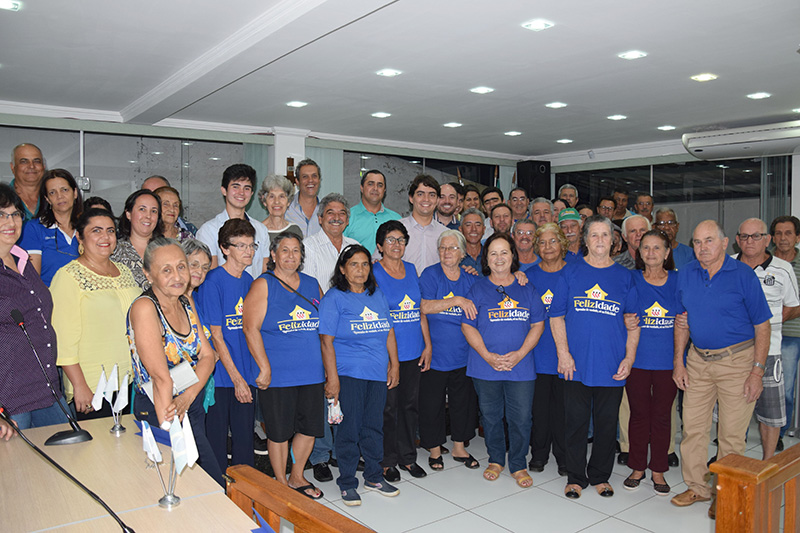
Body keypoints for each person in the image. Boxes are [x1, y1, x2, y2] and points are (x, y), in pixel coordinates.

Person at [670, 220, 771, 518]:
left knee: (731, 434)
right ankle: (697, 487)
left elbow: (762, 326)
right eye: (697, 242)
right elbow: (681, 321)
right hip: (698, 361)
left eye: (709, 240)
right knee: (693, 428)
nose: (702, 247)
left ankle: (725, 493)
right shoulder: (686, 273)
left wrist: (757, 372)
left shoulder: (743, 275)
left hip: (737, 362)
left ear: (726, 243)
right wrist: (678, 362)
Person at [549, 214, 640, 499]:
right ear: (585, 240)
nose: (600, 240)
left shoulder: (625, 277)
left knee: (606, 425)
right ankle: (575, 477)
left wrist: (629, 358)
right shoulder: (570, 272)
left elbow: (634, 323)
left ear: (614, 241)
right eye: (594, 234)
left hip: (612, 364)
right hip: (575, 363)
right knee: (575, 423)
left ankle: (601, 476)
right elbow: (556, 316)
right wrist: (563, 354)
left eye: (605, 235)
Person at [128, 238, 222, 485]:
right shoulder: (145, 308)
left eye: (181, 267)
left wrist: (188, 398)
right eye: (166, 270)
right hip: (162, 406)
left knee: (204, 484)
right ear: (148, 274)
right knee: (178, 482)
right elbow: (160, 378)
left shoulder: (185, 301)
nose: (178, 276)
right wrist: (172, 423)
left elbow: (208, 356)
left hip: (190, 399)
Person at [242, 231, 326, 500]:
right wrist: (264, 367)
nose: (291, 255)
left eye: (296, 250)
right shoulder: (263, 285)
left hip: (312, 372)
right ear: (274, 255)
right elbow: (250, 328)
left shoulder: (312, 284)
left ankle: (297, 475)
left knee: (309, 428)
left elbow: (324, 328)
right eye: (285, 250)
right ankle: (280, 482)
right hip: (278, 374)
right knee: (278, 432)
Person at [318, 244, 400, 506]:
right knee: (349, 429)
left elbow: (388, 331)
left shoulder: (377, 295)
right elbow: (326, 341)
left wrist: (394, 364)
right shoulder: (334, 298)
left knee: (373, 426)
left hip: (377, 373)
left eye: (365, 264)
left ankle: (374, 476)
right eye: (354, 264)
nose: (360, 270)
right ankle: (347, 482)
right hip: (349, 373)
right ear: (342, 269)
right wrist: (332, 379)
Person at [461, 233, 545, 489]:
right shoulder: (477, 289)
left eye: (504, 252)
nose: (499, 258)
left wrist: (519, 354)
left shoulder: (527, 288)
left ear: (513, 256)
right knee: (490, 416)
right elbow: (468, 325)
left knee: (521, 418)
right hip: (485, 366)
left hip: (521, 367)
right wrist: (487, 356)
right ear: (486, 259)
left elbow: (538, 324)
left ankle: (518, 463)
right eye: (493, 253)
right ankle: (496, 459)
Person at [51, 208, 141, 419]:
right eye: (96, 231)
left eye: (110, 230)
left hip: (129, 379)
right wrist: (79, 385)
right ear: (80, 237)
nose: (105, 237)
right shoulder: (68, 276)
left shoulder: (124, 271)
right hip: (93, 384)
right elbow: (63, 340)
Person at [0, 183, 69, 429]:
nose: (10, 222)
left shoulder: (22, 260)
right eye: (1, 214)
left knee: (73, 450)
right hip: (8, 399)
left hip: (47, 389)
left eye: (15, 214)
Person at [304, 193, 359, 481]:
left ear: (347, 219)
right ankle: (320, 456)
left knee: (346, 390)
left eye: (341, 213)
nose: (336, 217)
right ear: (320, 217)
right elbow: (309, 290)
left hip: (351, 332)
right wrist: (338, 309)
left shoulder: (355, 247)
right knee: (325, 390)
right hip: (321, 329)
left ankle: (342, 450)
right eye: (330, 212)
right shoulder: (309, 247)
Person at [734, 218, 799, 460]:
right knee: (732, 411)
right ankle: (731, 458)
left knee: (770, 414)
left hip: (770, 352)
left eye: (756, 236)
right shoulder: (727, 265)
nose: (750, 241)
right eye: (745, 236)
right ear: (737, 240)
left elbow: (793, 305)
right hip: (733, 353)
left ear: (767, 239)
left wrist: (765, 325)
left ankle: (767, 462)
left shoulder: (783, 269)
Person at [196, 219, 258, 473]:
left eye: (251, 245)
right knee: (216, 441)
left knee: (245, 438)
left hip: (246, 372)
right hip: (221, 376)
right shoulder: (213, 281)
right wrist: (236, 379)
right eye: (240, 245)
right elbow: (216, 336)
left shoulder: (250, 280)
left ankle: (245, 488)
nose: (248, 251)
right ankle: (216, 489)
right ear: (224, 248)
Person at [373, 221, 432, 481]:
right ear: (379, 246)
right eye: (390, 240)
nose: (396, 245)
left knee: (409, 406)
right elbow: (378, 317)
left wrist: (427, 345)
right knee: (388, 409)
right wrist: (390, 359)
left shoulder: (411, 269)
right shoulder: (373, 273)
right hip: (387, 354)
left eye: (401, 240)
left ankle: (408, 457)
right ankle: (387, 461)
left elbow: (420, 310)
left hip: (413, 350)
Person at [622, 229, 678, 495]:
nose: (651, 252)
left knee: (662, 416)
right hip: (638, 361)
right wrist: (624, 319)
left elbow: (685, 319)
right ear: (639, 252)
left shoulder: (677, 280)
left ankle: (658, 469)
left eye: (657, 248)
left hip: (668, 361)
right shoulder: (630, 279)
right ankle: (637, 467)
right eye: (646, 247)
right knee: (639, 415)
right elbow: (617, 308)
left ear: (667, 253)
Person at [419, 230, 479, 471]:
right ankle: (434, 450)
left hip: (464, 353)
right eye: (443, 248)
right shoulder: (430, 274)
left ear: (463, 253)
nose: (447, 252)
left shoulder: (470, 278)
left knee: (462, 402)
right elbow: (424, 306)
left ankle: (459, 447)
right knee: (431, 403)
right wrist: (457, 300)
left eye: (453, 248)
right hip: (434, 353)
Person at [527, 223, 569, 475]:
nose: (548, 247)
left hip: (566, 353)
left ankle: (564, 457)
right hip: (538, 353)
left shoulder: (574, 272)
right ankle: (539, 454)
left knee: (564, 411)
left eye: (553, 241)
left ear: (562, 243)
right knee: (539, 410)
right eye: (542, 242)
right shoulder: (529, 276)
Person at [613, 214, 650, 465]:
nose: (638, 235)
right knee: (627, 399)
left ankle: (662, 446)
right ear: (625, 237)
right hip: (624, 338)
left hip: (656, 337)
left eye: (642, 230)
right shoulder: (616, 266)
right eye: (633, 232)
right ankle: (626, 445)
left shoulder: (664, 263)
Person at [196, 164, 270, 279]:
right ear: (224, 190)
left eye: (247, 188)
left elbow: (265, 272)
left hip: (255, 289)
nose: (241, 193)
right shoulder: (208, 230)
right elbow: (211, 275)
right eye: (236, 187)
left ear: (252, 193)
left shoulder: (261, 229)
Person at [19, 169, 82, 286]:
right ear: (47, 199)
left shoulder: (86, 228)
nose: (60, 196)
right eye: (52, 192)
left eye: (64, 190)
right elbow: (32, 281)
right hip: (49, 296)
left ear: (75, 193)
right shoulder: (34, 229)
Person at [771, 215, 800, 450]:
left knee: (785, 388)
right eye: (778, 233)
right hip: (761, 335)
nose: (783, 238)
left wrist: (777, 317)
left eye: (788, 233)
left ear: (797, 237)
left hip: (791, 335)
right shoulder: (764, 261)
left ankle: (779, 433)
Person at [111, 189, 164, 289]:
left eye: (153, 211)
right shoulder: (113, 251)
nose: (148, 216)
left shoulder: (167, 249)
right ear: (128, 214)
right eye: (142, 209)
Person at [343, 169, 400, 254]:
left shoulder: (396, 219)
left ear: (384, 190)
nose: (375, 188)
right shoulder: (347, 217)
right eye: (370, 184)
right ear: (361, 188)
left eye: (380, 185)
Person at [400, 175, 447, 275]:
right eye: (420, 194)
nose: (426, 199)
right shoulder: (395, 229)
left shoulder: (446, 234)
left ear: (438, 200)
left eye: (432, 195)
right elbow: (378, 262)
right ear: (411, 198)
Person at [257, 174, 303, 242]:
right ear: (264, 201)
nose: (277, 201)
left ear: (288, 201)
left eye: (281, 196)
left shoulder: (295, 230)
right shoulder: (257, 231)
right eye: (272, 196)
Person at [286, 159, 322, 237]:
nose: (310, 180)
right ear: (297, 182)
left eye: (314, 176)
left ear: (319, 180)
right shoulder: (285, 208)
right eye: (305, 177)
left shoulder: (326, 210)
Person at [9, 143, 46, 220]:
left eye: (37, 161)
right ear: (13, 167)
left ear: (43, 166)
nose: (31, 166)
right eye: (24, 161)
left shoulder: (55, 198)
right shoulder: (2, 198)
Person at [459, 208, 485, 274]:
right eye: (468, 225)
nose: (474, 229)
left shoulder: (491, 255)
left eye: (478, 225)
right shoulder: (455, 258)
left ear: (484, 229)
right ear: (461, 229)